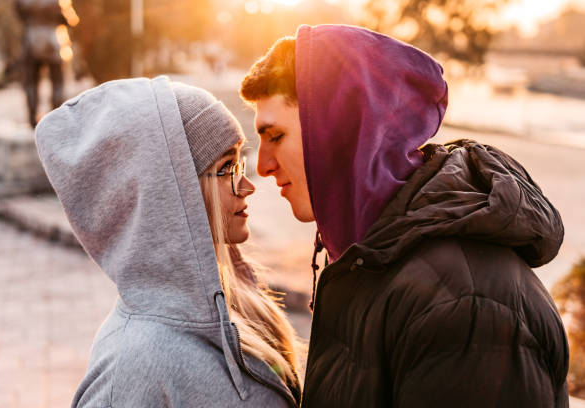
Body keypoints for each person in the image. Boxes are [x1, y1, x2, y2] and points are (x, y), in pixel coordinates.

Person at [239, 24, 569, 407]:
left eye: (275, 136)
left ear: (340, 131)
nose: (261, 166)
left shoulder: (464, 304)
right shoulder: (369, 261)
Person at [34, 76, 301, 407]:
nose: (247, 186)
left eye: (239, 162)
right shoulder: (130, 369)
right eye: (226, 168)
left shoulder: (242, 299)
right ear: (173, 192)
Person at [16, 0, 66, 128]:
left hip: (31, 40)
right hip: (51, 40)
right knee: (57, 82)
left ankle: (32, 119)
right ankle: (57, 117)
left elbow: (19, 14)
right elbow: (64, 18)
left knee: (31, 83)